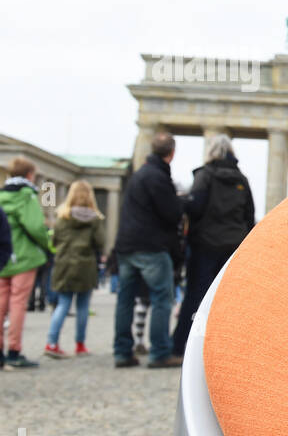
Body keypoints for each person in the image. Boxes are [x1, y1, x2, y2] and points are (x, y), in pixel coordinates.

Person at [171, 134, 255, 357]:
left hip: (205, 246)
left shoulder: (204, 176)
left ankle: (182, 346)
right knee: (227, 301)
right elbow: (250, 216)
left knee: (195, 297)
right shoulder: (241, 180)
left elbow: (195, 207)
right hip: (232, 248)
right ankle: (226, 349)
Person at [113, 133, 185, 369]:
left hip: (126, 245)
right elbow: (171, 213)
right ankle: (160, 352)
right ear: (171, 153)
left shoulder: (139, 175)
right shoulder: (158, 177)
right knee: (162, 299)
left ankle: (122, 352)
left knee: (125, 300)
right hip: (151, 247)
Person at [1, 157, 53, 370]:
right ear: (30, 175)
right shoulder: (27, 196)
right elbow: (35, 227)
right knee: (17, 305)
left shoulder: (2, 195)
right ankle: (14, 351)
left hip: (2, 256)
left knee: (1, 304)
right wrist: (47, 246)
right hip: (23, 257)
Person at [45, 181, 106, 358]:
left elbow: (54, 241)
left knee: (63, 304)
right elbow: (100, 242)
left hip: (64, 264)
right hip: (85, 265)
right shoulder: (94, 218)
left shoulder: (62, 217)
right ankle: (80, 345)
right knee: (82, 306)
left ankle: (52, 342)